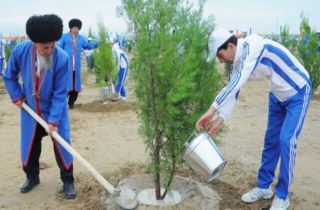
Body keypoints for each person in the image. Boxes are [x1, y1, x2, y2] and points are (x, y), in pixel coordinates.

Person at [196, 29, 311, 210]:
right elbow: (233, 91)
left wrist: (211, 109)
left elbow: (239, 80)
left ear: (231, 46)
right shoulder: (236, 64)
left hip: (298, 92)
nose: (220, 60)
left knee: (286, 141)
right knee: (271, 141)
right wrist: (219, 120)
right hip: (277, 95)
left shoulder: (253, 46)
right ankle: (264, 187)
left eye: (220, 55)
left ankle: (282, 196)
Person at [3, 14, 76, 199]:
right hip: (30, 111)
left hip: (55, 111)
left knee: (62, 145)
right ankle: (32, 177)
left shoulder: (62, 58)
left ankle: (68, 181)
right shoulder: (20, 51)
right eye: (45, 47)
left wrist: (53, 121)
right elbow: (9, 75)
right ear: (34, 43)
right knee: (30, 145)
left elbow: (60, 93)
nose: (49, 51)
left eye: (52, 46)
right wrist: (17, 95)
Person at [58, 18, 98, 109]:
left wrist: (97, 44)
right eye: (74, 28)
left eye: (77, 29)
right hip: (66, 66)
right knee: (65, 85)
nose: (76, 30)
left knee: (75, 86)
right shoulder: (64, 37)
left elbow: (88, 46)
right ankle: (62, 104)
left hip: (76, 67)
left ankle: (71, 103)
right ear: (71, 28)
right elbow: (59, 49)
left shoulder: (81, 39)